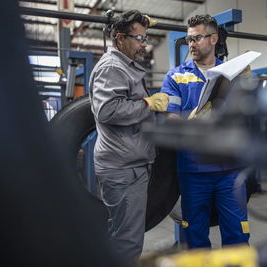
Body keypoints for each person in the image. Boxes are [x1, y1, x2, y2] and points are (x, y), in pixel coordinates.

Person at [160, 14, 250, 248]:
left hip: (229, 169)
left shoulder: (232, 74)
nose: (191, 44)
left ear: (213, 39)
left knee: (238, 235)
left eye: (197, 38)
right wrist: (190, 120)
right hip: (193, 171)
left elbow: (244, 119)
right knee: (195, 238)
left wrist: (246, 92)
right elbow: (170, 120)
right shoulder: (175, 77)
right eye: (189, 39)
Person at [89, 10, 169, 261]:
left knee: (125, 235)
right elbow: (107, 110)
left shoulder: (125, 65)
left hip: (131, 165)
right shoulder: (112, 67)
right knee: (127, 241)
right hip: (122, 169)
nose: (143, 44)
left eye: (145, 38)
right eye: (138, 38)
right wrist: (148, 104)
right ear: (120, 38)